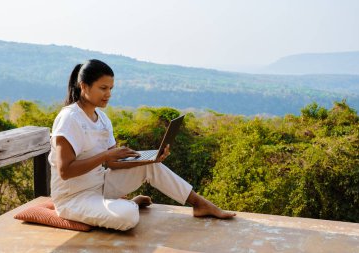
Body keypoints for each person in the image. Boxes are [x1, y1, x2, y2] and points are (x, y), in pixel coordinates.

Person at [48, 59, 236, 231]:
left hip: (101, 185)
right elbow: (65, 171)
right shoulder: (69, 119)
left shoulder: (102, 119)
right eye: (103, 88)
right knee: (127, 217)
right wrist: (105, 156)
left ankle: (200, 204)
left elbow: (113, 164)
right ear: (84, 86)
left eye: (111, 88)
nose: (108, 94)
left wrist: (149, 160)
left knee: (153, 167)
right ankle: (132, 204)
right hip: (74, 198)